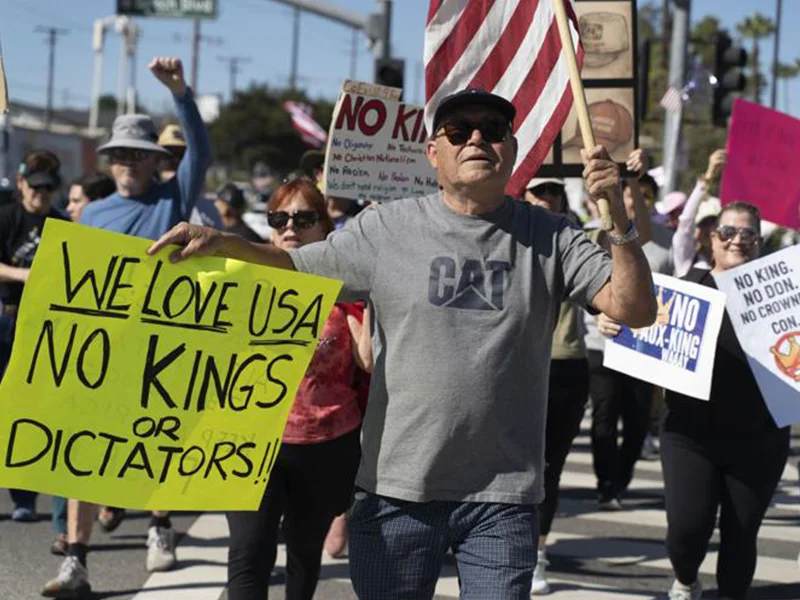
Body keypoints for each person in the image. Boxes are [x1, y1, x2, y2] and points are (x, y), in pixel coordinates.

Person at [149, 88, 655, 599]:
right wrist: (223, 242)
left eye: (492, 130)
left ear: (512, 148)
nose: (477, 138)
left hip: (503, 499)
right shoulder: (386, 228)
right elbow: (295, 265)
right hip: (397, 493)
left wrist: (617, 216)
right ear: (434, 153)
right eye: (459, 131)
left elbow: (635, 309)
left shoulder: (552, 235)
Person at [43, 56, 211, 599]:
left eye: (139, 154)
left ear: (155, 160)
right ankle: (76, 561)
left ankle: (159, 525)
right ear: (109, 162)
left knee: (156, 445)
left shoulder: (172, 198)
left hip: (160, 347)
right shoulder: (91, 216)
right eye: (120, 155)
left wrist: (180, 92)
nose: (128, 163)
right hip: (100, 351)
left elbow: (202, 151)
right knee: (82, 454)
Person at [226, 179, 370, 600]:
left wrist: (375, 300)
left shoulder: (348, 293)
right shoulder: (239, 282)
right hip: (249, 443)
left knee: (305, 555)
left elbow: (368, 363)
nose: (291, 227)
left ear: (326, 228)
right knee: (248, 556)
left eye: (305, 218)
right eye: (279, 218)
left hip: (327, 447)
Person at [662, 202, 789, 600]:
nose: (738, 240)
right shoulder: (687, 288)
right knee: (687, 530)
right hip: (690, 434)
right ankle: (685, 579)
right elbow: (636, 318)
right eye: (728, 232)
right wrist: (612, 320)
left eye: (748, 233)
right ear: (711, 239)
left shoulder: (786, 297)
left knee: (741, 532)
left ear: (760, 242)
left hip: (760, 437)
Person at [522, 176, 590, 595]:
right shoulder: (505, 234)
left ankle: (537, 554)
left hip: (565, 365)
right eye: (536, 193)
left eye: (552, 192)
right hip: (515, 364)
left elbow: (610, 283)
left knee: (548, 471)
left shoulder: (577, 238)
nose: (545, 199)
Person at [0, 150, 67, 523]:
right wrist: (26, 276)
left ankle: (24, 496)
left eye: (48, 189)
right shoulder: (6, 218)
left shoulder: (61, 222)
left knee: (26, 410)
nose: (41, 196)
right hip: (6, 316)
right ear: (22, 183)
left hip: (44, 323)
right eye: (36, 188)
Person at [157, 123, 222, 229]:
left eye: (181, 155)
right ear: (155, 159)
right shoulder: (144, 203)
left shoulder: (207, 208)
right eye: (168, 154)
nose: (175, 160)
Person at [673, 149, 725, 277]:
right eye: (704, 223)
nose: (709, 229)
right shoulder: (686, 259)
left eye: (715, 224)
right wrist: (709, 175)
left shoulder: (729, 266)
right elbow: (686, 220)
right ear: (696, 231)